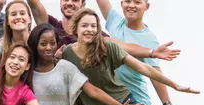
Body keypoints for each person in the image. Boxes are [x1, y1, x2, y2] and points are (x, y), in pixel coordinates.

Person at [61, 8, 200, 105]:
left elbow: (142, 67)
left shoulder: (107, 47)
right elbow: (79, 91)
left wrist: (174, 85)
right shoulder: (67, 54)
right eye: (84, 26)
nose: (89, 30)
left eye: (93, 26)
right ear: (75, 28)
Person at [23, 23, 146, 105]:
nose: (48, 47)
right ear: (35, 44)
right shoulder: (28, 71)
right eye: (43, 44)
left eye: (52, 43)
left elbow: (92, 91)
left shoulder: (65, 67)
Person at [96, 0, 182, 105]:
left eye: (137, 2)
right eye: (127, 1)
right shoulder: (115, 21)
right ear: (122, 3)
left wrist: (166, 103)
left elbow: (154, 74)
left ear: (146, 7)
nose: (131, 5)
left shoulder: (148, 38)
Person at [27, 0, 180, 61]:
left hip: (85, 102)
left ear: (83, 4)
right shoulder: (51, 27)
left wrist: (152, 52)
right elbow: (34, 5)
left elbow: (120, 46)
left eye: (74, 0)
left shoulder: (90, 34)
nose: (69, 3)